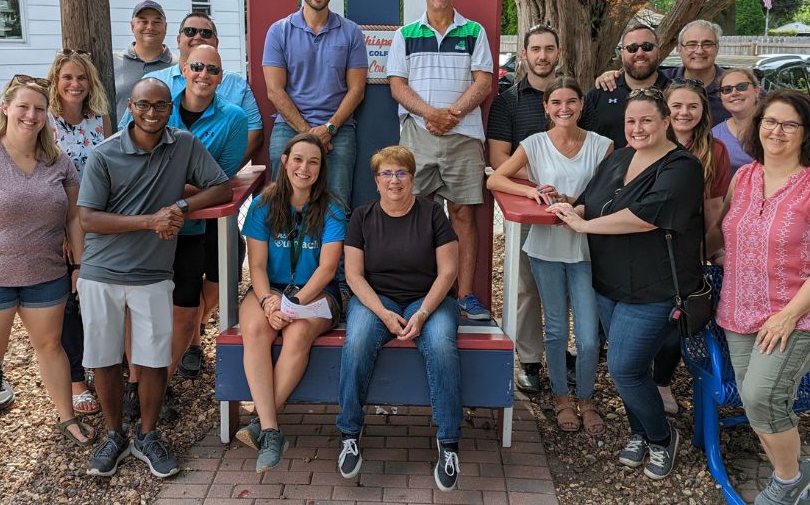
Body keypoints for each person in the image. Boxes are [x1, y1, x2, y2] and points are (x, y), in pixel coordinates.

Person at [76, 78, 231, 479]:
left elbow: (221, 187)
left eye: (160, 105)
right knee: (105, 358)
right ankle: (114, 436)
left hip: (152, 274)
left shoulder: (183, 145)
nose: (152, 113)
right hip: (102, 272)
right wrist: (150, 221)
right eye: (144, 105)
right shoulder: (105, 153)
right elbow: (88, 218)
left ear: (170, 108)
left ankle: (147, 435)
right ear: (130, 105)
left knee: (154, 358)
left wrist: (179, 205)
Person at [548, 87, 703, 481]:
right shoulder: (618, 158)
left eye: (647, 120)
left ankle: (662, 437)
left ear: (666, 121)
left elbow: (646, 216)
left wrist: (584, 225)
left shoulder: (680, 166)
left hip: (655, 288)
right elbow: (592, 202)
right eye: (631, 121)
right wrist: (566, 206)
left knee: (624, 368)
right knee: (627, 368)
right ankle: (639, 433)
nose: (637, 128)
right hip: (610, 283)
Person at [0, 76, 96, 475]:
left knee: (51, 348)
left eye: (39, 109)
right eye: (24, 107)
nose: (31, 115)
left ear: (48, 116)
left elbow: (73, 217)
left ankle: (66, 416)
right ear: (6, 108)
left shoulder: (57, 161)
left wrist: (78, 264)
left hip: (45, 273)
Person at [714, 89, 810, 505]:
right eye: (769, 121)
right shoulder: (744, 177)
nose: (777, 131)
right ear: (757, 127)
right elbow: (723, 237)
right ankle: (795, 486)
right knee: (759, 402)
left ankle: (791, 480)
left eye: (789, 124)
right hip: (739, 312)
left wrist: (788, 315)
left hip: (797, 316)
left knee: (762, 397)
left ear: (806, 132)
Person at [487, 77, 612, 434]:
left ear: (581, 104)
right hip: (545, 247)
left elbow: (609, 193)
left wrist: (576, 204)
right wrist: (532, 193)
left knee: (587, 336)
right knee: (556, 329)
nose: (564, 109)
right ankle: (561, 398)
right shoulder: (535, 144)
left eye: (571, 101)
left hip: (587, 247)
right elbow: (496, 180)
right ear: (546, 107)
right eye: (556, 102)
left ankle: (586, 398)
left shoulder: (602, 146)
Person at [336, 146, 462, 491]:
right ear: (376, 181)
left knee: (440, 344)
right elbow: (354, 276)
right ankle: (349, 433)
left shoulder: (433, 213)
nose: (394, 180)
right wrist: (382, 313)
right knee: (358, 339)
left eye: (401, 173)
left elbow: (449, 271)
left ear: (413, 178)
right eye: (386, 174)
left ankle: (449, 442)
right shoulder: (362, 217)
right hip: (378, 299)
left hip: (428, 299)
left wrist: (422, 313)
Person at [146, 16, 263, 378]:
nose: (203, 73)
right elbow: (130, 156)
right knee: (152, 299)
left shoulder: (233, 111)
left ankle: (190, 339)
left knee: (208, 285)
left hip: (204, 215)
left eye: (212, 68)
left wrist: (179, 191)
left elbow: (223, 175)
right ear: (183, 68)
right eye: (196, 66)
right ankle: (143, 379)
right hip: (150, 218)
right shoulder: (158, 98)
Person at [388, 0, 493, 321]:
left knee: (463, 215)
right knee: (413, 215)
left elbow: (483, 81)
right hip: (418, 135)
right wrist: (430, 115)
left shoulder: (473, 32)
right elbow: (397, 85)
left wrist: (453, 115)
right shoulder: (405, 34)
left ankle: (464, 295)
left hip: (463, 136)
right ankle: (420, 294)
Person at [236, 133, 346, 473]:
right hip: (271, 287)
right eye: (298, 159)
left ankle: (262, 423)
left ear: (321, 168)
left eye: (313, 162)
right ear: (284, 162)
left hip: (316, 293)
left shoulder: (332, 208)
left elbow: (328, 269)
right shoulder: (263, 204)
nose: (304, 168)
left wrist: (292, 305)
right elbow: (255, 265)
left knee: (298, 334)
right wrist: (270, 300)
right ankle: (271, 432)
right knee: (254, 329)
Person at [486, 23, 565, 392]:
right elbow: (499, 158)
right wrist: (536, 189)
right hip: (528, 205)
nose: (543, 56)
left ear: (559, 54)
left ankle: (573, 359)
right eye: (536, 49)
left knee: (575, 284)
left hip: (574, 207)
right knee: (526, 287)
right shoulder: (508, 102)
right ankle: (530, 361)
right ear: (525, 55)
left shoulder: (576, 98)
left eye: (550, 49)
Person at [651, 79, 731, 414]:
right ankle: (637, 379)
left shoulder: (715, 151)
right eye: (677, 106)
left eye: (692, 106)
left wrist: (710, 250)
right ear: (665, 111)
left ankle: (662, 382)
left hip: (687, 246)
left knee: (676, 317)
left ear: (703, 111)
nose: (684, 113)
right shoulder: (649, 142)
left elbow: (714, 208)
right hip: (646, 240)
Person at [262, 0, 367, 206]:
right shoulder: (279, 31)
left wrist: (329, 128)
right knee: (282, 201)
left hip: (338, 130)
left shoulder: (351, 32)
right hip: (289, 126)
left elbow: (357, 90)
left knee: (338, 205)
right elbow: (274, 91)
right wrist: (308, 134)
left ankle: (332, 246)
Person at [48, 50, 111, 417]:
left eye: (82, 78)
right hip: (58, 220)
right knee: (69, 301)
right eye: (68, 77)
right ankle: (75, 380)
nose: (75, 84)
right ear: (56, 81)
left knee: (94, 294)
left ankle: (100, 360)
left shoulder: (99, 120)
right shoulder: (46, 123)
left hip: (96, 219)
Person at [146, 12, 263, 166]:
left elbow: (254, 130)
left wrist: (223, 171)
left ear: (216, 42)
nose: (198, 36)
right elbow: (130, 131)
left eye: (206, 33)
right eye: (190, 31)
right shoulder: (153, 82)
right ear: (178, 39)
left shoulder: (237, 84)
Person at [593, 19, 729, 123]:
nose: (699, 50)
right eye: (692, 44)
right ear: (680, 49)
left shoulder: (733, 87)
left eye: (707, 44)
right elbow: (638, 74)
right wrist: (613, 75)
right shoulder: (664, 83)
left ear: (717, 48)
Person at [580, 22, 670, 148]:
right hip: (608, 167)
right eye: (632, 48)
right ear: (622, 54)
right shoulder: (600, 93)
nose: (640, 53)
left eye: (647, 47)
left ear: (658, 51)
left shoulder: (673, 93)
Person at [113, 0, 173, 112]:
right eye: (143, 21)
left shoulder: (177, 66)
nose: (150, 27)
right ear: (132, 26)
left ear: (165, 27)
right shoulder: (112, 63)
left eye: (156, 22)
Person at [712, 68, 762, 174]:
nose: (734, 93)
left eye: (742, 87)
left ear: (757, 91)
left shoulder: (775, 127)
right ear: (721, 97)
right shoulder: (714, 136)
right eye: (727, 89)